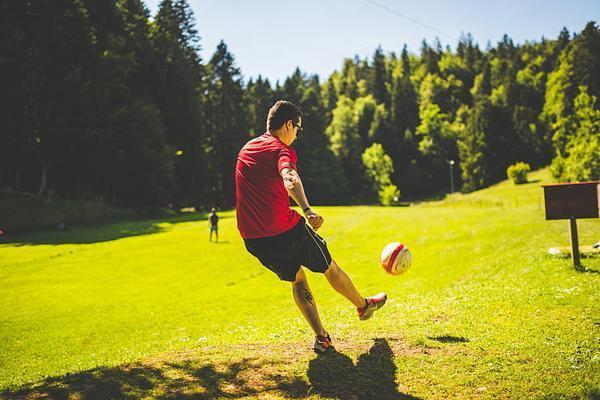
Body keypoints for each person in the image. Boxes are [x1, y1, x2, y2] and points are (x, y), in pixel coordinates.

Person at [235, 100, 387, 353]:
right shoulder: (281, 150)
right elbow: (290, 177)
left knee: (297, 278)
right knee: (329, 266)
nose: (297, 134)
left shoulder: (247, 148)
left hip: (253, 239)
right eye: (298, 129)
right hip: (285, 230)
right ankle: (362, 305)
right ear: (288, 125)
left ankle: (321, 337)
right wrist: (307, 209)